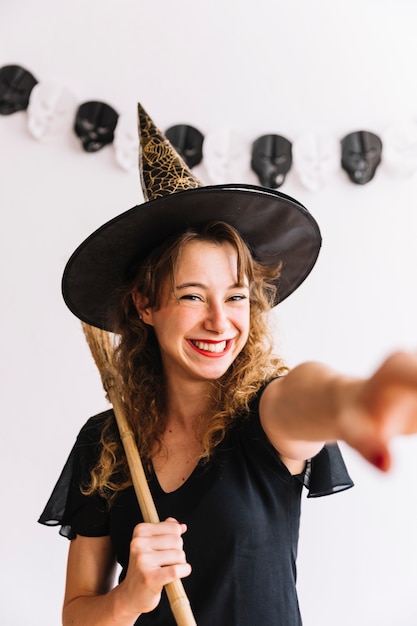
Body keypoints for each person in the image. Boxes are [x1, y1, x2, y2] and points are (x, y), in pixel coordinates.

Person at [39, 103, 417, 626]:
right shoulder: (106, 441)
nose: (220, 322)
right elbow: (77, 616)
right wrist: (130, 596)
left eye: (235, 297)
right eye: (193, 297)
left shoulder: (265, 416)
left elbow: (307, 393)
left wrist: (354, 397)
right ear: (146, 306)